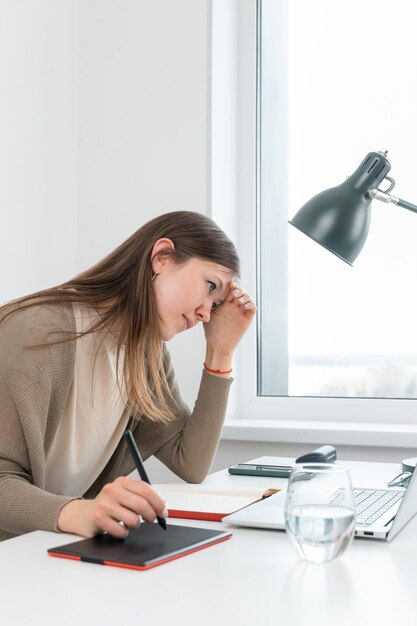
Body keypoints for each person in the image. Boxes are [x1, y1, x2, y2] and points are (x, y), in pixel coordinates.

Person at [0, 211, 255, 541]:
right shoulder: (37, 333)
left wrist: (221, 352)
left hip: (46, 550)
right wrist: (79, 511)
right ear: (162, 257)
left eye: (216, 303)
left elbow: (190, 462)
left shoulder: (146, 355)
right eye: (209, 286)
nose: (206, 313)